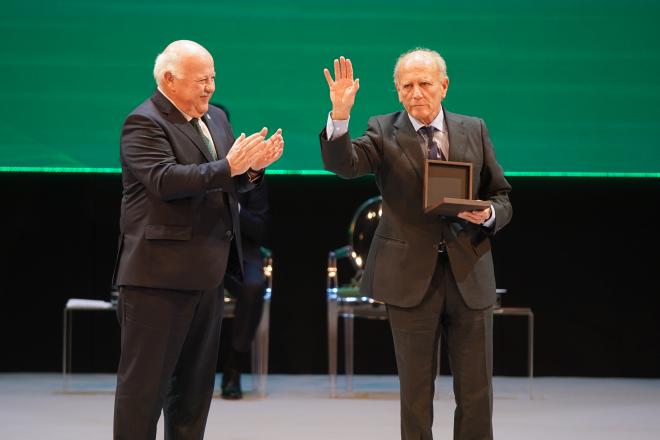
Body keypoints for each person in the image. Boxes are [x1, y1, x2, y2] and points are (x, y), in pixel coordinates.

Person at [320, 49, 512, 440]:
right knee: (415, 394)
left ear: (444, 85)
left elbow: (502, 196)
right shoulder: (382, 129)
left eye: (424, 83)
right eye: (406, 86)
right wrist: (340, 117)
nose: (416, 93)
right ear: (397, 91)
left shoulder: (473, 128)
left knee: (476, 393)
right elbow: (345, 165)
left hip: (468, 272)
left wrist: (488, 214)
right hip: (410, 279)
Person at [112, 40, 283, 439]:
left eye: (213, 78)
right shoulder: (144, 122)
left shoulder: (217, 119)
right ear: (169, 80)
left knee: (192, 396)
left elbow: (224, 185)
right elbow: (165, 180)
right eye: (201, 80)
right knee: (143, 393)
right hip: (157, 281)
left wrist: (252, 171)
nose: (209, 87)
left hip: (207, 275)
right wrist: (230, 166)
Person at [210, 103, 270, 400]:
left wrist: (231, 207)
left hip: (240, 249)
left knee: (254, 285)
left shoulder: (250, 167)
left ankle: (234, 367)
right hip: (201, 246)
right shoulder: (188, 162)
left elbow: (258, 226)